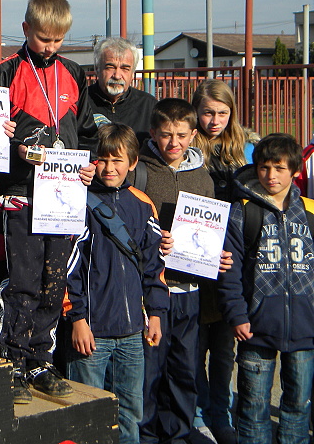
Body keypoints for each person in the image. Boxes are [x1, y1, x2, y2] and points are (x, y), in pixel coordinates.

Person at [0, 0, 97, 403]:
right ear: (26, 29)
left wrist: (89, 164)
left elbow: (86, 132)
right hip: (22, 193)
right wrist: (10, 148)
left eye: (58, 40)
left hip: (64, 194)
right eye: (42, 38)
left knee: (54, 283)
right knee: (24, 281)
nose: (50, 46)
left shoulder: (74, 72)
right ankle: (14, 361)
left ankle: (40, 360)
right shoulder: (6, 71)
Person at [66, 123, 169, 444]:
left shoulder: (143, 205)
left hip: (132, 334)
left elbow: (154, 267)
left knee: (130, 416)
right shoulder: (77, 202)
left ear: (133, 163)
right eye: (103, 160)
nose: (109, 168)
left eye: (118, 160)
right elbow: (67, 269)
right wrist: (77, 319)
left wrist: (156, 314)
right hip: (91, 333)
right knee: (88, 417)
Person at [219, 133, 314, 444]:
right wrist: (236, 314)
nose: (271, 175)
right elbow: (229, 270)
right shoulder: (243, 209)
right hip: (255, 326)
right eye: (263, 167)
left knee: (298, 406)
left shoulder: (310, 212)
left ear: (295, 171)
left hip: (305, 327)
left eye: (279, 168)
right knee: (253, 407)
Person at [132, 98, 215, 444]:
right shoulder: (141, 171)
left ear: (193, 135)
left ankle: (180, 433)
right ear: (153, 133)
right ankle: (146, 435)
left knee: (184, 369)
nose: (174, 143)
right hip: (151, 291)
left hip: (189, 291)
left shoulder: (203, 177)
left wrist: (218, 253)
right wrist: (154, 239)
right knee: (150, 371)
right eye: (166, 134)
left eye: (181, 135)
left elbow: (212, 231)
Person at [191, 79, 256, 444]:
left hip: (234, 259)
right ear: (196, 111)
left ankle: (221, 414)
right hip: (196, 255)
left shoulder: (246, 148)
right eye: (207, 113)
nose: (214, 121)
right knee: (194, 345)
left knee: (223, 347)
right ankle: (198, 414)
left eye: (222, 113)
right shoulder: (188, 147)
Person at [87, 37, 157, 144]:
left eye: (125, 69)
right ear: (97, 69)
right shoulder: (80, 102)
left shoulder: (148, 106)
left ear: (132, 73)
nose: (117, 76)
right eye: (110, 67)